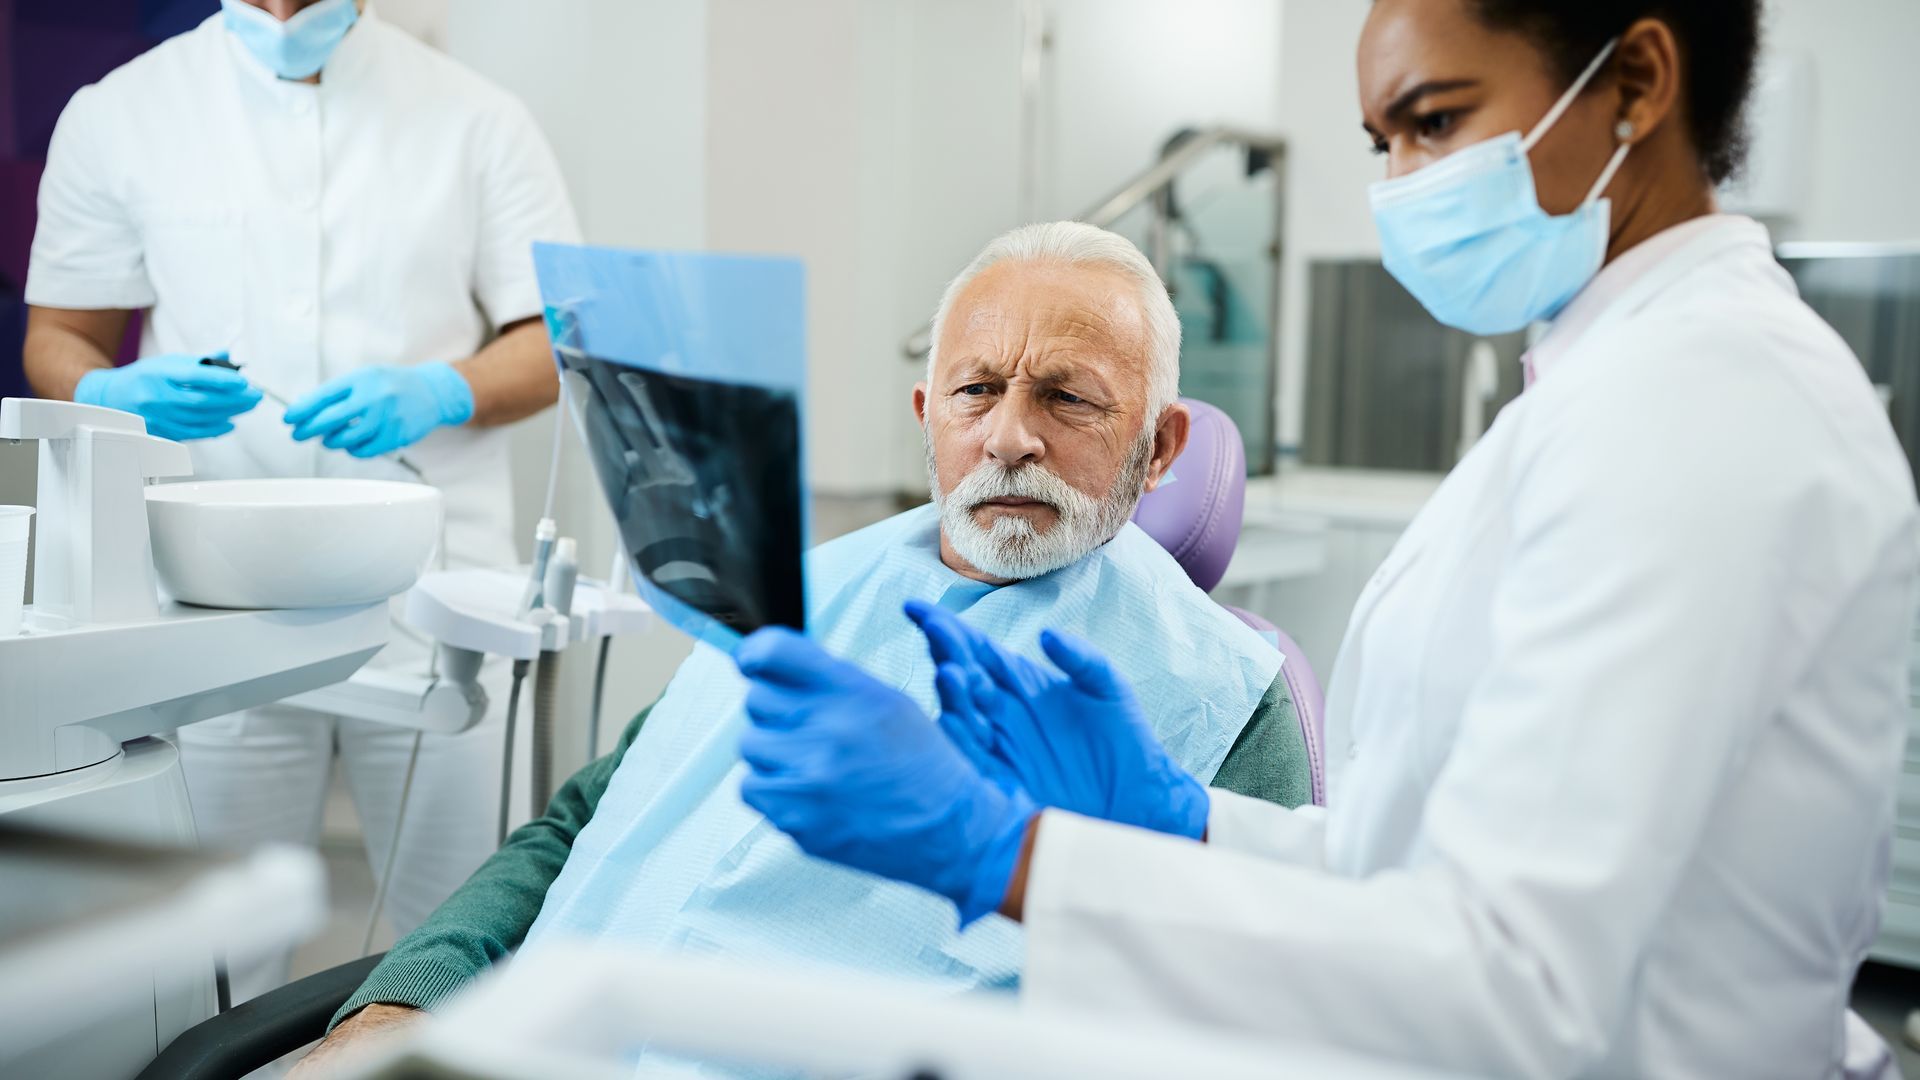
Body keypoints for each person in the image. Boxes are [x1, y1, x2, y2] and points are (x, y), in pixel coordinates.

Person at [734, 2, 1920, 1077]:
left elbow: (1518, 982)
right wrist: (1186, 821)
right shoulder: (1606, 387)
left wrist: (1004, 859)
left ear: (1640, 81)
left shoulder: (1700, 411)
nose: (1402, 181)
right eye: (1379, 143)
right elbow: (1426, 868)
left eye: (1436, 120)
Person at [292, 222, 1313, 1076]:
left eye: (1068, 396)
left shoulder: (1218, 692)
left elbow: (1231, 1023)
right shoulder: (796, 586)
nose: (1009, 437)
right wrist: (405, 1003)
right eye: (976, 391)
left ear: (1163, 445)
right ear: (927, 415)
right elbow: (586, 823)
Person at [22, 0, 579, 999]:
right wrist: (103, 388)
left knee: (465, 940)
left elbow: (551, 344)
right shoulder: (121, 113)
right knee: (209, 963)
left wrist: (445, 387)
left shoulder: (478, 117)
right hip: (210, 600)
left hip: (436, 593)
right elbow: (59, 333)